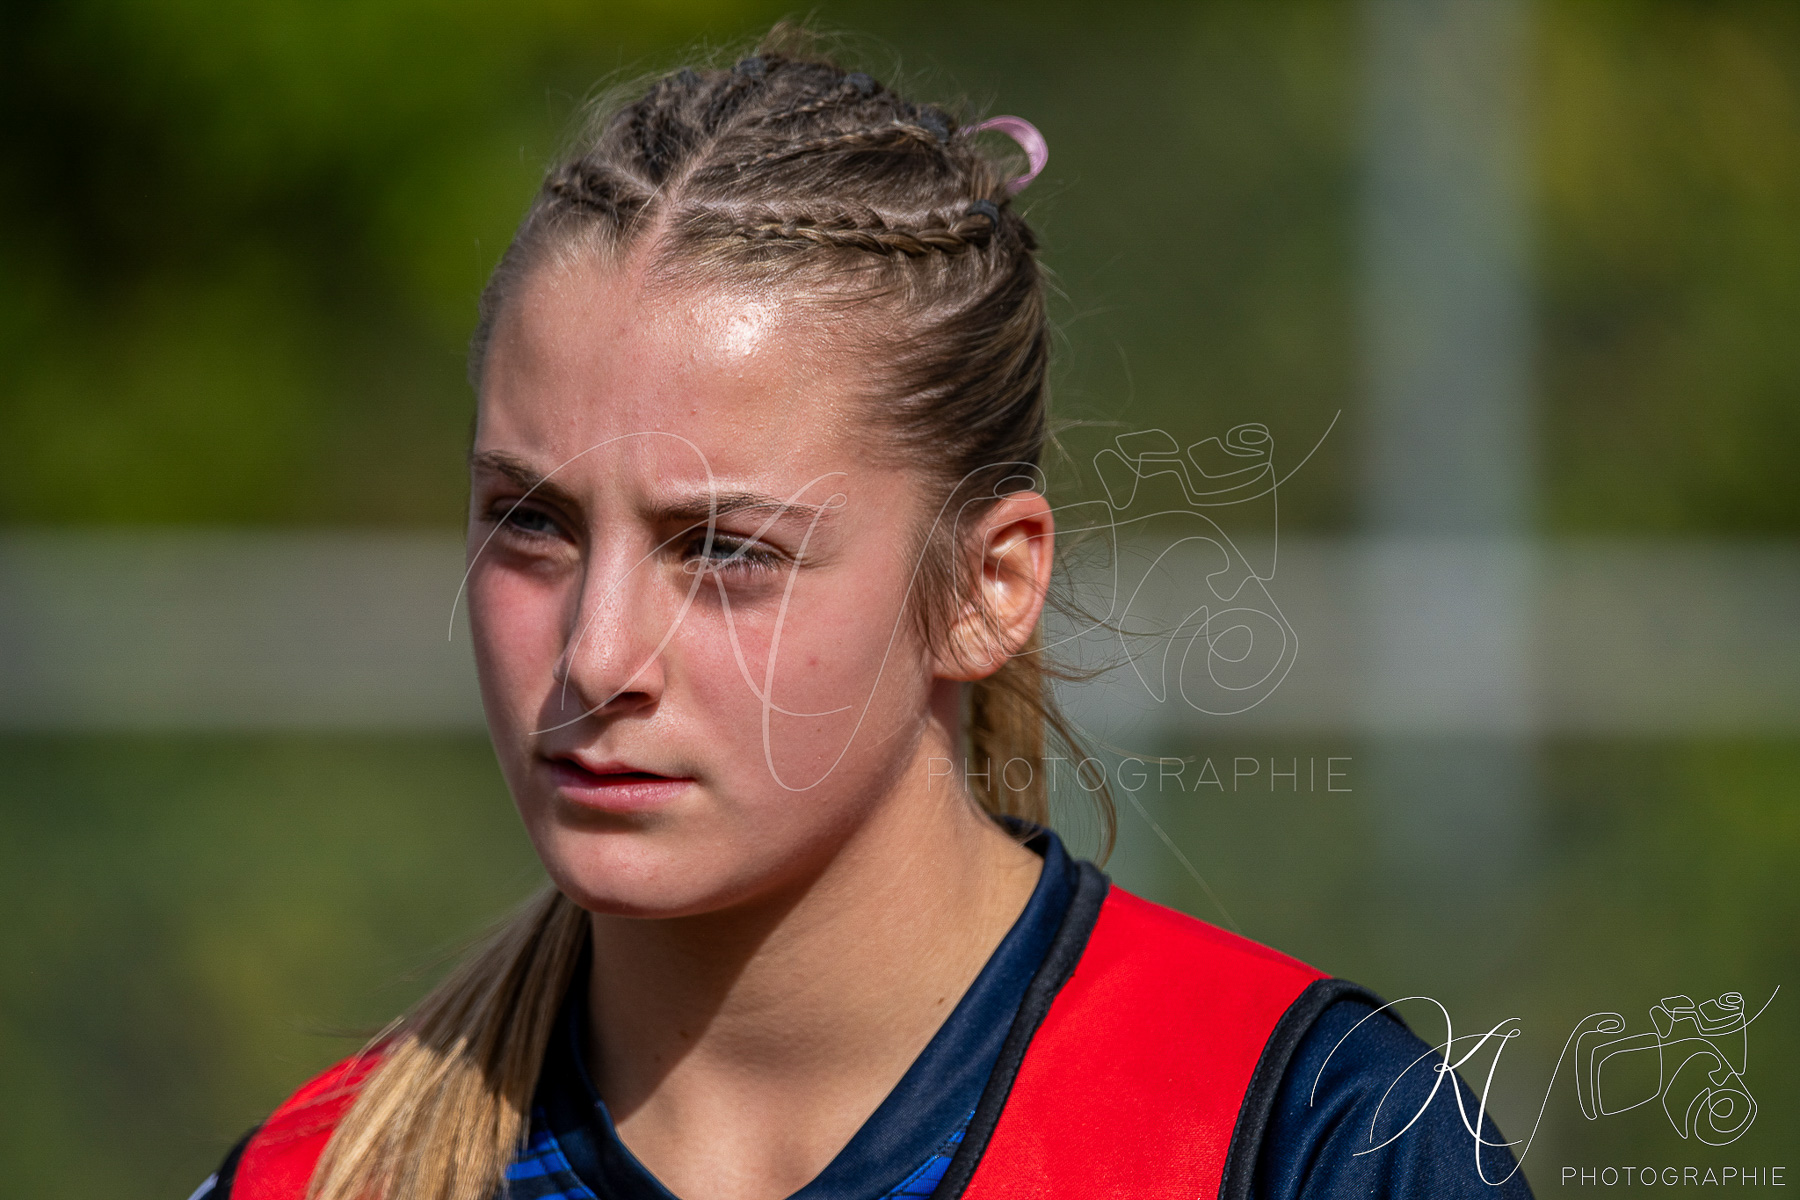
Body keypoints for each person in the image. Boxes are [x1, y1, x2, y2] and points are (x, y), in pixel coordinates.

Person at [193, 30, 1534, 1200]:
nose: (596, 655)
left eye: (723, 549)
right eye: (532, 523)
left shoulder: (1312, 1145)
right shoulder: (318, 1178)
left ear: (985, 588)